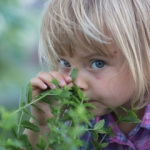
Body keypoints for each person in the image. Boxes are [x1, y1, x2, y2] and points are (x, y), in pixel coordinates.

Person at [24, 0, 150, 149]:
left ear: (145, 58)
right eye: (65, 63)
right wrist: (42, 124)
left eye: (98, 63)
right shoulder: (73, 120)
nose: (76, 83)